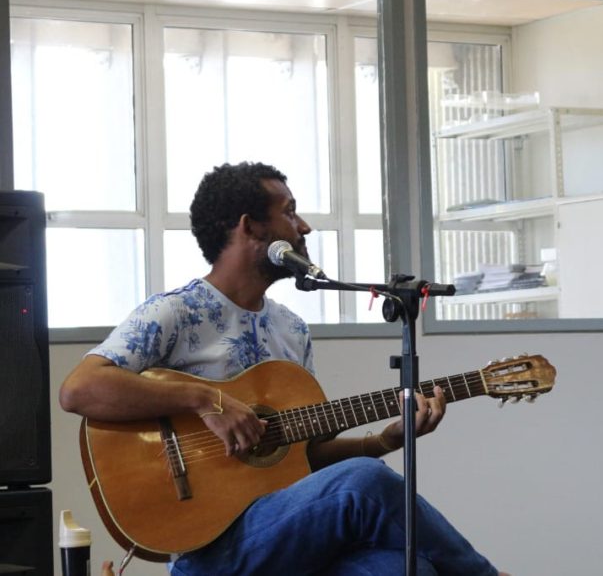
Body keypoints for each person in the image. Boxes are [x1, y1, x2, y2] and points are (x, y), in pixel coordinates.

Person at [60, 162, 506, 576]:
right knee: (365, 484)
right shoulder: (175, 312)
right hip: (211, 550)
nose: (304, 226)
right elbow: (79, 390)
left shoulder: (290, 329)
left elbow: (302, 460)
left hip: (288, 536)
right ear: (249, 226)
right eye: (289, 212)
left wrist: (382, 440)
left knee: (406, 568)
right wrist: (206, 400)